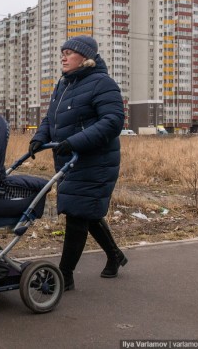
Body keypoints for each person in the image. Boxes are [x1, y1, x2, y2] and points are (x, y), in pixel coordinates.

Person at [28, 35, 127, 291]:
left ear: (86, 58)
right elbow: (50, 119)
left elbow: (113, 122)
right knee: (86, 211)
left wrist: (75, 141)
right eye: (62, 51)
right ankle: (115, 255)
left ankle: (64, 276)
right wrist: (39, 138)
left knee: (77, 213)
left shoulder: (102, 84)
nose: (63, 56)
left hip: (96, 161)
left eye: (69, 52)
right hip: (70, 161)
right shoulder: (64, 85)